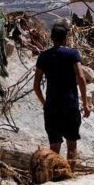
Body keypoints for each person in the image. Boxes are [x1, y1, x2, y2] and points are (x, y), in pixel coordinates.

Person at [33, 22, 90, 162]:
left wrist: (44, 103)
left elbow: (36, 85)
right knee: (72, 144)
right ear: (66, 38)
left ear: (52, 38)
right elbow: (81, 77)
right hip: (70, 104)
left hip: (52, 105)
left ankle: (54, 176)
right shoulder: (72, 54)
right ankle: (70, 176)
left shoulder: (44, 56)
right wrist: (86, 103)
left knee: (54, 145)